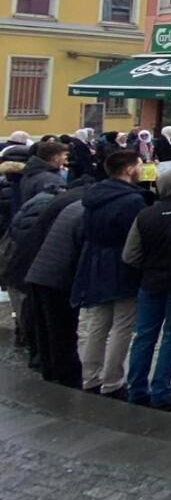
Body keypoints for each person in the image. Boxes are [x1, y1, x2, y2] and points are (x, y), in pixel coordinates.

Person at [72, 150, 147, 398]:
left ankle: (90, 377)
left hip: (95, 260)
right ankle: (113, 381)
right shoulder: (132, 200)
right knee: (122, 325)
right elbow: (135, 239)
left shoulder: (94, 195)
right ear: (128, 169)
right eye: (140, 164)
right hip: (120, 262)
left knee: (98, 323)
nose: (143, 168)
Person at [121, 167, 171, 410]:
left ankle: (137, 387)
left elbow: (130, 254)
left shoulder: (146, 214)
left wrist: (150, 266)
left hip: (150, 281)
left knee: (144, 335)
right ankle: (161, 390)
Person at [22, 177, 92, 386]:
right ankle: (67, 379)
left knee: (47, 330)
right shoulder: (84, 210)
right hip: (57, 277)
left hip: (39, 270)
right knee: (61, 331)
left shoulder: (71, 205)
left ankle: (50, 372)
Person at [18, 139, 67, 208]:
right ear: (56, 158)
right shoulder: (51, 179)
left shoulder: (30, 172)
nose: (66, 158)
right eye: (64, 155)